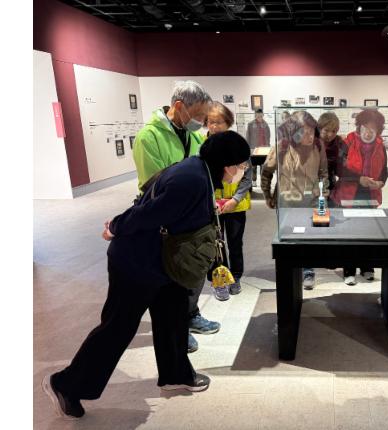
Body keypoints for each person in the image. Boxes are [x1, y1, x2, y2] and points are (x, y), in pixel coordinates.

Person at [43, 132, 251, 419]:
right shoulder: (191, 179)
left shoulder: (199, 172)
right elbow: (148, 213)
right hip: (136, 263)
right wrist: (115, 226)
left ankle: (176, 374)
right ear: (227, 165)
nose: (243, 171)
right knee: (119, 327)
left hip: (164, 262)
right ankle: (66, 384)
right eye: (241, 165)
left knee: (173, 316)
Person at [131, 80, 216, 354]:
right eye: (199, 115)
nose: (202, 122)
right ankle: (177, 326)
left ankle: (191, 314)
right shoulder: (148, 137)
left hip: (193, 219)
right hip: (167, 221)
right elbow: (153, 184)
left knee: (193, 270)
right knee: (172, 277)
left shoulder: (195, 137)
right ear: (179, 106)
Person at [261, 111, 330, 290]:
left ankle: (308, 270)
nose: (309, 136)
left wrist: (323, 194)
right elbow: (266, 171)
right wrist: (267, 195)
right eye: (304, 132)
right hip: (287, 201)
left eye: (312, 131)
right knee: (288, 237)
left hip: (311, 201)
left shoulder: (318, 146)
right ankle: (288, 270)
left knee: (310, 237)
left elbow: (323, 173)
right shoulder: (282, 147)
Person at [331, 109, 388, 285]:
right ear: (359, 126)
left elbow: (384, 171)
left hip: (370, 193)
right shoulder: (347, 142)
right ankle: (349, 269)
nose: (369, 132)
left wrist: (381, 182)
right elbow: (339, 169)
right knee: (350, 232)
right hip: (349, 193)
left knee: (368, 232)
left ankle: (367, 266)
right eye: (366, 127)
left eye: (373, 129)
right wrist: (359, 179)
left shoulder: (380, 145)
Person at [205, 102, 252, 300]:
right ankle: (219, 279)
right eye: (211, 122)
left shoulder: (237, 144)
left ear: (228, 123)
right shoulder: (202, 146)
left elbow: (247, 177)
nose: (214, 126)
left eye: (219, 122)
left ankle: (236, 276)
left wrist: (235, 199)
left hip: (236, 205)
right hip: (212, 206)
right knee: (215, 243)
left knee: (235, 242)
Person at [246, 108, 271, 185]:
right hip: (254, 148)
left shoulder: (265, 124)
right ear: (255, 115)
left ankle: (262, 181)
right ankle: (254, 180)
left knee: (263, 165)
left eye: (260, 115)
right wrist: (248, 147)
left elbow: (268, 136)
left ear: (263, 115)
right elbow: (248, 136)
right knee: (253, 166)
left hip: (263, 148)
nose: (259, 117)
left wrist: (268, 146)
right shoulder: (250, 124)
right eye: (257, 115)